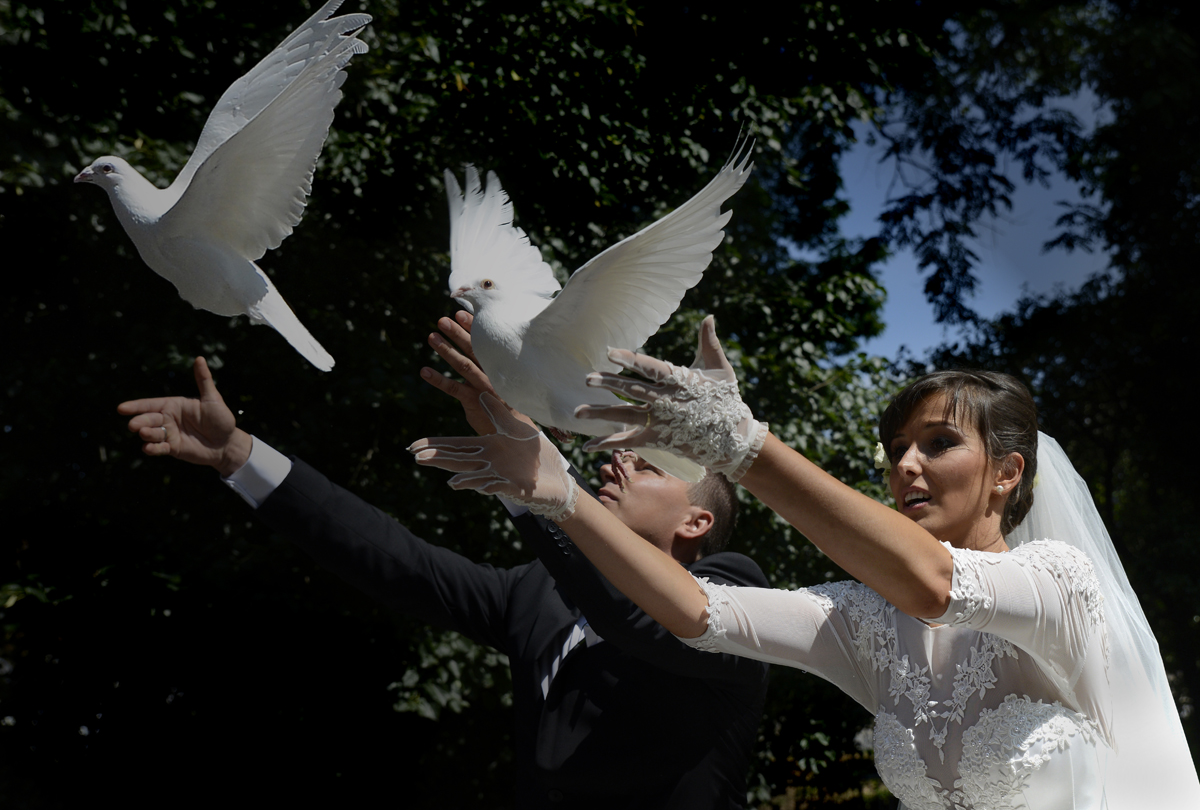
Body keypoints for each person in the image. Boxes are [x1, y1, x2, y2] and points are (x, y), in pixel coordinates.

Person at [413, 315, 1200, 809]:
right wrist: (558, 494)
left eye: (939, 443)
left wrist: (742, 447)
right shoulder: (865, 621)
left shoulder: (1059, 582)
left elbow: (933, 581)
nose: (907, 467)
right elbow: (696, 610)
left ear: (1008, 471)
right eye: (896, 451)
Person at [117, 314, 770, 810]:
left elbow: (639, 618)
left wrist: (543, 493)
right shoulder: (534, 593)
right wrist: (240, 455)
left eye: (648, 463)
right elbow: (393, 559)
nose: (616, 459)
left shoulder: (735, 592)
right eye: (619, 453)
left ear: (696, 521)